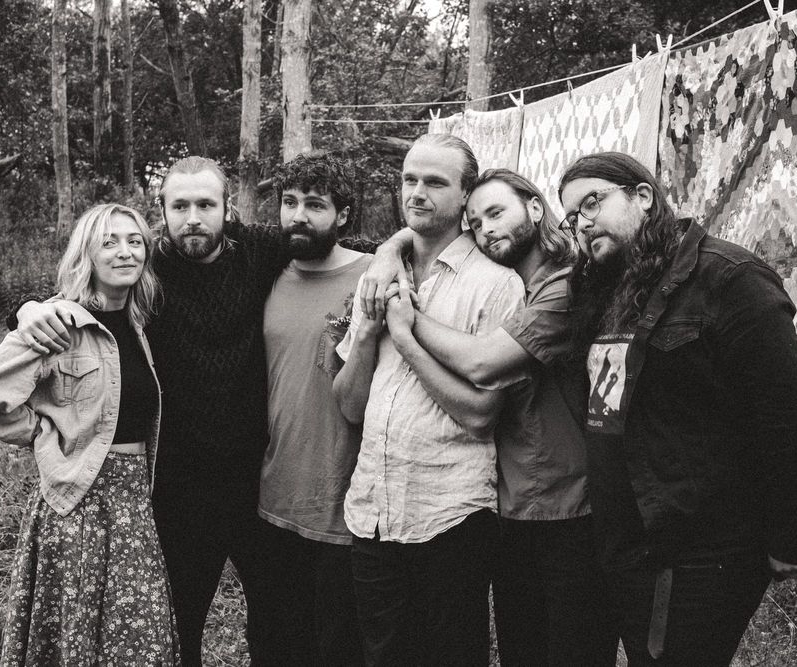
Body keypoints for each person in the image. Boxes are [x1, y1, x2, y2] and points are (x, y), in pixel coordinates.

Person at [12, 157, 288, 666]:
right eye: (179, 206)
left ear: (229, 208)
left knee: (276, 623)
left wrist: (390, 253)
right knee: (176, 627)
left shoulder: (259, 251)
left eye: (206, 205)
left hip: (257, 481)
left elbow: (342, 245)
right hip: (175, 486)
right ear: (161, 210)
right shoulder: (147, 264)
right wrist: (28, 309)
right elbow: (79, 296)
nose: (193, 219)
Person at [558, 152, 797, 665]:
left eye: (592, 202)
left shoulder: (728, 278)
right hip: (623, 537)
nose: (582, 223)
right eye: (572, 217)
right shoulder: (601, 285)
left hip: (703, 546)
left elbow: (790, 418)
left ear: (643, 196)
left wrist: (790, 537)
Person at [360, 168, 611, 665]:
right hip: (512, 507)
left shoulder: (564, 286)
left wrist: (406, 325)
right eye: (475, 223)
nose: (487, 229)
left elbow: (481, 362)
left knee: (572, 651)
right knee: (522, 650)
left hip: (569, 505)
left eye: (496, 213)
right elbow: (422, 232)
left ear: (535, 207)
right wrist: (390, 249)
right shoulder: (507, 285)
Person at [0, 203, 180, 666]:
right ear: (86, 255)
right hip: (76, 501)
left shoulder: (141, 323)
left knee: (138, 640)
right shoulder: (59, 324)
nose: (125, 252)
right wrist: (42, 433)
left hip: (133, 505)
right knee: (73, 637)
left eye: (135, 241)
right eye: (109, 242)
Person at [333, 134, 525, 666]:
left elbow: (481, 415)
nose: (416, 192)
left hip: (450, 516)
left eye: (435, 182)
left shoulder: (496, 285)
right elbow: (349, 407)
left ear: (466, 196)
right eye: (409, 179)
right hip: (373, 512)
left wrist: (406, 336)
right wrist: (368, 333)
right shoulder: (380, 276)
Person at [254, 151, 368, 665]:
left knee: (340, 649)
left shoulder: (375, 275)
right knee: (280, 644)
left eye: (315, 204)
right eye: (289, 201)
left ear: (343, 215)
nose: (298, 216)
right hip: (276, 498)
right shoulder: (267, 275)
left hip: (350, 505)